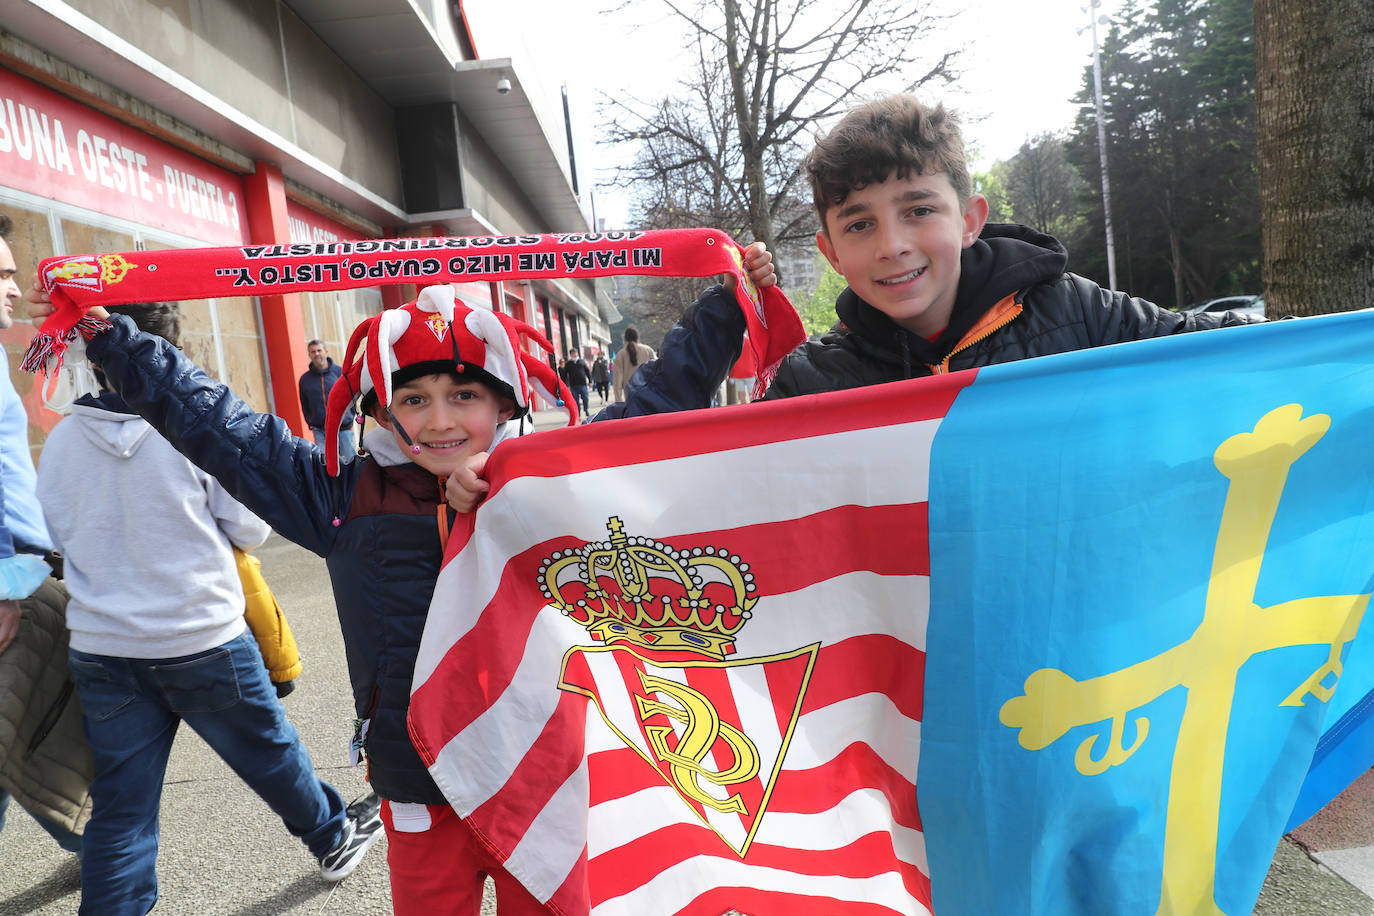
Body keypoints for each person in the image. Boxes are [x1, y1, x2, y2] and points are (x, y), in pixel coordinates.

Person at [27, 284, 578, 914]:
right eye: (414, 399)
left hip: (540, 774)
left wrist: (721, 310)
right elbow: (220, 426)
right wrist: (112, 337)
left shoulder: (559, 489)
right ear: (379, 410)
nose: (441, 420)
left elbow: (660, 427)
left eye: (465, 395)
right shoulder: (341, 500)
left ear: (504, 402)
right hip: (416, 780)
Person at [599, 94, 1260, 420]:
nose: (893, 246)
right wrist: (512, 482)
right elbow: (679, 473)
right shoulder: (811, 383)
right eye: (860, 224)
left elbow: (1237, 360)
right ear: (829, 253)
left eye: (919, 210)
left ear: (970, 220)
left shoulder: (1077, 312)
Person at [36, 301, 382, 915]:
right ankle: (331, 837)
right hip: (202, 636)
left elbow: (58, 537)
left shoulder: (62, 440)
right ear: (171, 351)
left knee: (122, 809)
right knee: (269, 754)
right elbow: (249, 529)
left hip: (105, 647)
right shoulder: (194, 437)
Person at [0, 212, 88, 860]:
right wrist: (6, 587)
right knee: (37, 736)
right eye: (0, 275)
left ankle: (107, 856)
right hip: (14, 586)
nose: (11, 287)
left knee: (34, 737)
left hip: (27, 575)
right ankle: (113, 860)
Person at [299, 339, 357, 465]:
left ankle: (356, 485)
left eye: (319, 350)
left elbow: (351, 396)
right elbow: (305, 404)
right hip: (320, 430)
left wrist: (349, 417)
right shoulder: (305, 380)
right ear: (309, 355)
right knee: (325, 464)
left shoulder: (340, 373)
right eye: (313, 352)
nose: (317, 354)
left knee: (350, 462)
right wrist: (311, 421)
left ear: (326, 352)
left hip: (342, 427)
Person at [611, 326, 656, 402]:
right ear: (637, 337)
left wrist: (619, 402)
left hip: (631, 397)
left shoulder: (620, 354)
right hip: (649, 394)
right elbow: (657, 370)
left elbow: (617, 381)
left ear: (625, 339)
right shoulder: (648, 350)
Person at [563, 347, 591, 418]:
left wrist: (590, 381)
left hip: (583, 384)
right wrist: (565, 385)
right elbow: (564, 375)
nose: (574, 354)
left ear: (577, 353)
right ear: (570, 355)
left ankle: (586, 409)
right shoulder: (568, 364)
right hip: (573, 385)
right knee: (575, 400)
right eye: (572, 353)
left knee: (585, 398)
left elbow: (587, 371)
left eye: (575, 353)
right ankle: (578, 414)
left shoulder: (582, 361)